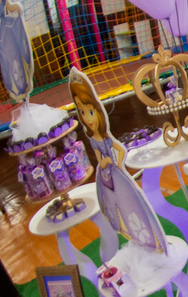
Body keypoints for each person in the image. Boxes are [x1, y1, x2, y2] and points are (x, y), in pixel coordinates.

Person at [69, 71, 168, 255]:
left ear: (98, 112)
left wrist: (116, 164)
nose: (88, 119)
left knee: (131, 204)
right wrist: (107, 162)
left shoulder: (105, 138)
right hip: (106, 177)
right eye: (82, 112)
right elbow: (101, 160)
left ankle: (151, 241)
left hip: (115, 174)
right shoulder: (95, 140)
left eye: (90, 112)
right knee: (115, 208)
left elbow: (120, 150)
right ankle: (131, 235)